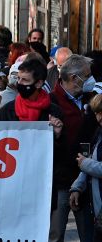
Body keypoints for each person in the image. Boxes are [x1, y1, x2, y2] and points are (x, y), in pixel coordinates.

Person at [48, 55, 98, 242]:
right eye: (87, 75)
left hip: (86, 178)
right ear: (73, 78)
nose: (90, 79)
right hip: (60, 181)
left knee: (89, 234)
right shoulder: (51, 102)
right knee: (55, 234)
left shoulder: (91, 100)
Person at [70, 93, 102, 240]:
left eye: (101, 112)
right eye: (96, 113)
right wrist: (77, 187)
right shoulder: (98, 133)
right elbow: (89, 161)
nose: (99, 118)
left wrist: (85, 163)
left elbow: (87, 163)